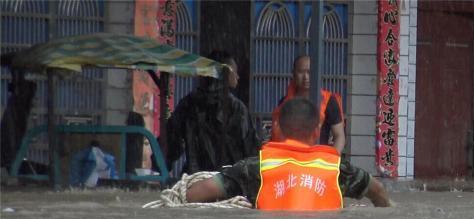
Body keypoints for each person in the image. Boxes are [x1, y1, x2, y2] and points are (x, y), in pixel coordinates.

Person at [185, 97, 390, 210]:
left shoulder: (257, 167)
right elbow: (378, 191)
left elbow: (196, 193)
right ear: (317, 132)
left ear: (278, 129)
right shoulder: (337, 170)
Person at [164, 50, 260, 176]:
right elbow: (250, 147)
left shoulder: (188, 102)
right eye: (235, 71)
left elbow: (171, 142)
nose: (238, 76)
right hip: (228, 178)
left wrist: (162, 167)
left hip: (196, 177)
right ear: (226, 72)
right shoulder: (237, 107)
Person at [270, 55, 345, 152]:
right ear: (293, 74)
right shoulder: (285, 102)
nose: (306, 77)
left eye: (309, 72)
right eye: (301, 72)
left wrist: (332, 160)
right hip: (291, 158)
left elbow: (339, 136)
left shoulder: (329, 101)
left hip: (317, 160)